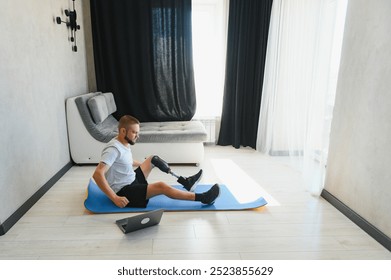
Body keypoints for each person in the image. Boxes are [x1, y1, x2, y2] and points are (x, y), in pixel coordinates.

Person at [92, 115, 220, 208]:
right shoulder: (113, 149)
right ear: (123, 131)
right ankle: (203, 198)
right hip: (125, 192)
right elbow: (98, 174)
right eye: (134, 133)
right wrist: (115, 198)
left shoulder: (123, 142)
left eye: (138, 132)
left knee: (153, 159)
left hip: (132, 180)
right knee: (161, 186)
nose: (138, 136)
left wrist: (144, 164)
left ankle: (186, 182)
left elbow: (126, 161)